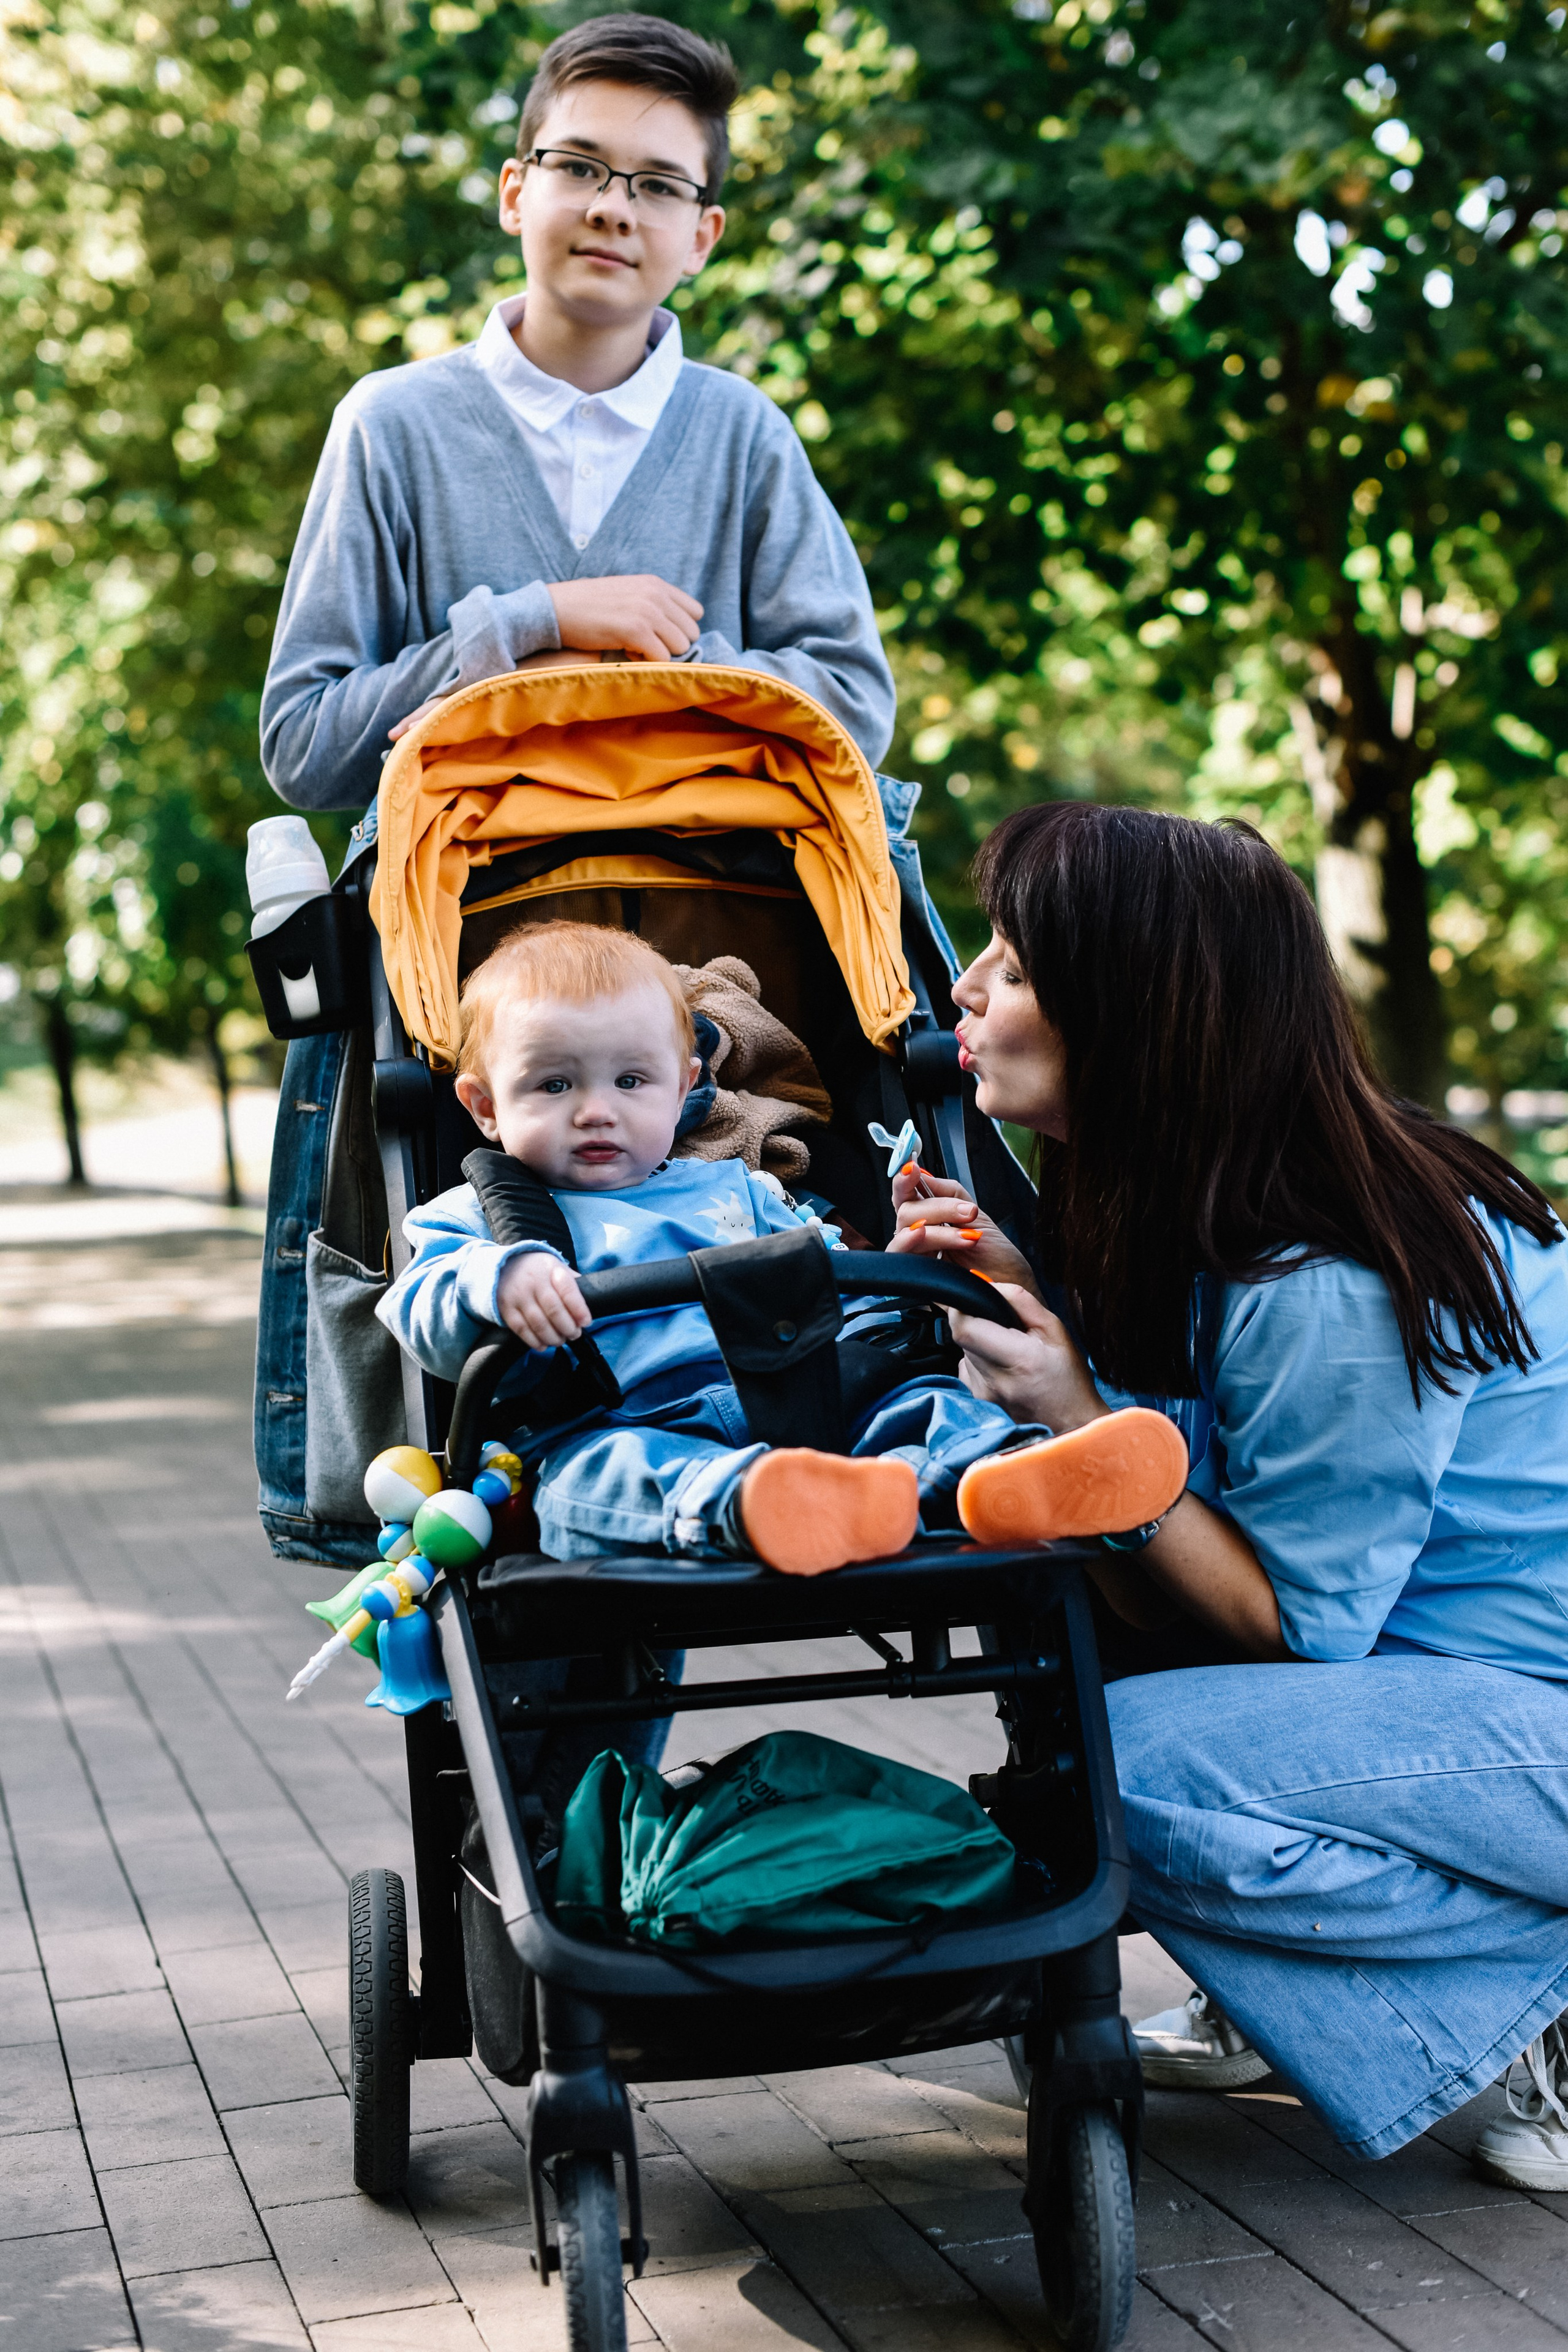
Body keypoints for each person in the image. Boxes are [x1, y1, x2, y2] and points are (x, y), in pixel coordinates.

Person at [888, 798, 1568, 2187]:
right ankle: (1296, 2002)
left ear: (1129, 1019)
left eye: (1012, 967)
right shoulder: (1209, 1200)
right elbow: (1208, 1482)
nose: (963, 985)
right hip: (1462, 1693)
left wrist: (1079, 1417)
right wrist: (1028, 1303)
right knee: (1095, 1677)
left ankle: (1538, 1994)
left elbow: (1286, 1624)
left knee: (1115, 1769)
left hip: (1530, 1722)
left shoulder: (1320, 1271)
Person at [375, 919, 1186, 1575]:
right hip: (619, 1417)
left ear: (688, 1084)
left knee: (919, 1404)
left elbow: (834, 1290)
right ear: (484, 1107)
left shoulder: (741, 1191)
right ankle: (756, 1503)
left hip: (796, 1403)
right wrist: (498, 1276)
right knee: (589, 1484)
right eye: (554, 1085)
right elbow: (417, 1308)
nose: (597, 1111)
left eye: (631, 1082)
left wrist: (894, 1270)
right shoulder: (481, 1218)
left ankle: (1007, 1475)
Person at [260, 15, 895, 815]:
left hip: (715, 933)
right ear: (515, 194)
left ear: (703, 237)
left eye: (659, 185)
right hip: (456, 931)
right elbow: (303, 746)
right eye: (580, 167)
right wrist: (530, 624)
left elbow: (857, 707)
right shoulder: (390, 424)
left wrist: (597, 681)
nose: (613, 209)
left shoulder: (746, 434)